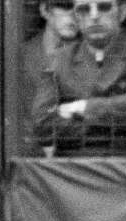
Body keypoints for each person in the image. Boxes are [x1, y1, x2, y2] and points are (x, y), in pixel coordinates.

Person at [31, 0, 126, 156]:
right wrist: (124, 123)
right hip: (75, 167)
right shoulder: (58, 60)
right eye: (84, 9)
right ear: (76, 16)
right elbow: (44, 125)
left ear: (122, 12)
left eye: (104, 7)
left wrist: (85, 108)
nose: (94, 15)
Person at [21, 0, 80, 155]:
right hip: (26, 158)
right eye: (66, 6)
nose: (74, 15)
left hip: (71, 157)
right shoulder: (20, 56)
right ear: (45, 10)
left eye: (80, 8)